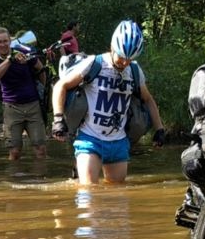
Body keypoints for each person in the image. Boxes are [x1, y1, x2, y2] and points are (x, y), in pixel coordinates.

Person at [50, 20, 167, 185]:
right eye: (121, 57)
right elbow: (61, 86)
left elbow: (148, 99)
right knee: (88, 193)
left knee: (116, 197)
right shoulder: (94, 63)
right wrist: (58, 118)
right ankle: (79, 169)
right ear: (113, 47)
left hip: (118, 142)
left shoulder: (134, 70)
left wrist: (159, 129)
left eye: (130, 59)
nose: (125, 63)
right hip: (90, 139)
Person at [0, 27, 47, 161]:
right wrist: (9, 60)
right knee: (14, 151)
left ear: (10, 41)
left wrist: (43, 91)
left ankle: (42, 178)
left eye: (5, 41)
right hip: (11, 108)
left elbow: (41, 69)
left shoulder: (24, 52)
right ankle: (14, 179)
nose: (3, 44)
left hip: (33, 105)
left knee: (40, 149)